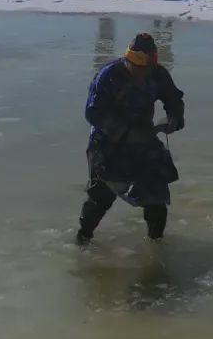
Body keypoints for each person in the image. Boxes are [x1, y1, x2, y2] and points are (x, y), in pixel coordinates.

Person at [77, 33, 185, 245]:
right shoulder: (108, 75)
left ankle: (156, 245)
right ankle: (83, 239)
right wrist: (125, 133)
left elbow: (174, 98)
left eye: (147, 70)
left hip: (143, 141)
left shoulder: (158, 74)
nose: (143, 75)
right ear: (129, 61)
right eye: (139, 69)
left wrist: (174, 118)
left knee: (156, 198)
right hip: (107, 142)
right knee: (101, 198)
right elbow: (93, 113)